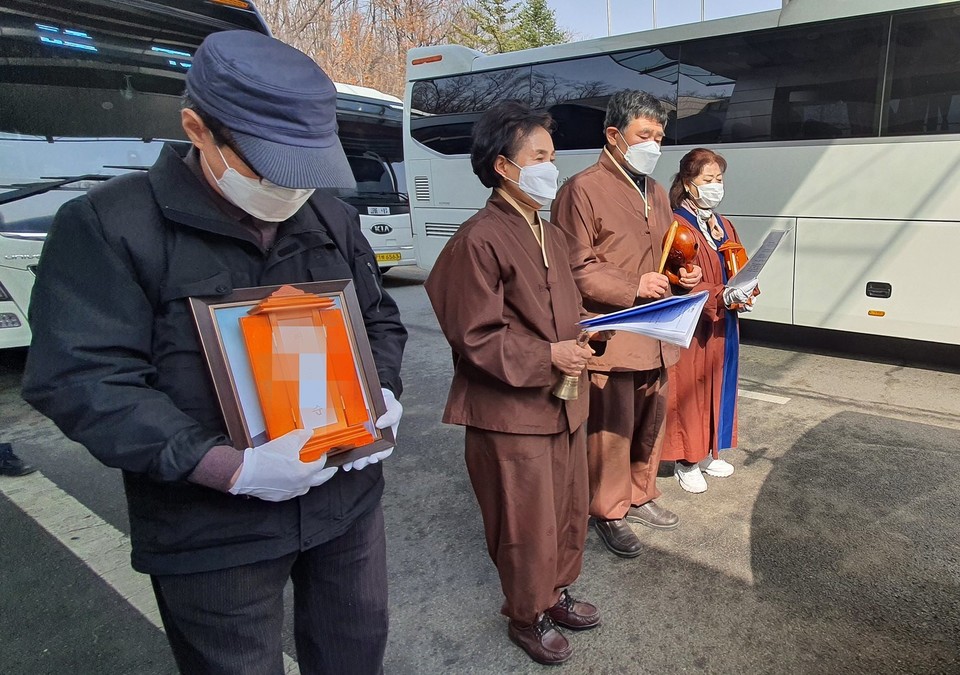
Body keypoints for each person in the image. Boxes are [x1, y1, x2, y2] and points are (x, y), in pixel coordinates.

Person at [22, 31, 407, 675]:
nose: (290, 189)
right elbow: (83, 378)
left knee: (356, 651)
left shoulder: (330, 218)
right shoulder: (110, 225)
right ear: (197, 129)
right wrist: (226, 466)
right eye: (268, 166)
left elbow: (379, 320)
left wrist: (382, 392)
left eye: (305, 169)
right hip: (212, 532)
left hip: (346, 502)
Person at [425, 101, 631, 666]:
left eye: (552, 155)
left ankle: (555, 592)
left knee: (567, 508)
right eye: (539, 157)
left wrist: (593, 332)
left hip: (563, 402)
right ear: (503, 167)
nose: (552, 167)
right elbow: (474, 335)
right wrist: (549, 354)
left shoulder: (547, 230)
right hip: (510, 413)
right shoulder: (478, 239)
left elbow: (564, 309)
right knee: (523, 520)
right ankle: (526, 614)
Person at [551, 90, 702, 558]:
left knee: (649, 421)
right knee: (611, 431)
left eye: (659, 136)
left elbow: (667, 251)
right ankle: (608, 509)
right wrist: (633, 284)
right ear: (615, 135)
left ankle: (640, 493)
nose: (654, 145)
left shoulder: (655, 190)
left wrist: (684, 273)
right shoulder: (582, 189)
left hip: (657, 332)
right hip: (611, 331)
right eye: (645, 135)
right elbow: (574, 265)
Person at [662, 148, 756, 493]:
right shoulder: (676, 226)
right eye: (708, 180)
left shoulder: (722, 224)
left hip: (724, 322)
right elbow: (677, 280)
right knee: (691, 388)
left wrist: (745, 291)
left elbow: (739, 265)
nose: (716, 186)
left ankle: (713, 448)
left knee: (722, 383)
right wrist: (719, 296)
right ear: (688, 184)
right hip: (694, 324)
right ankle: (687, 460)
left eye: (719, 180)